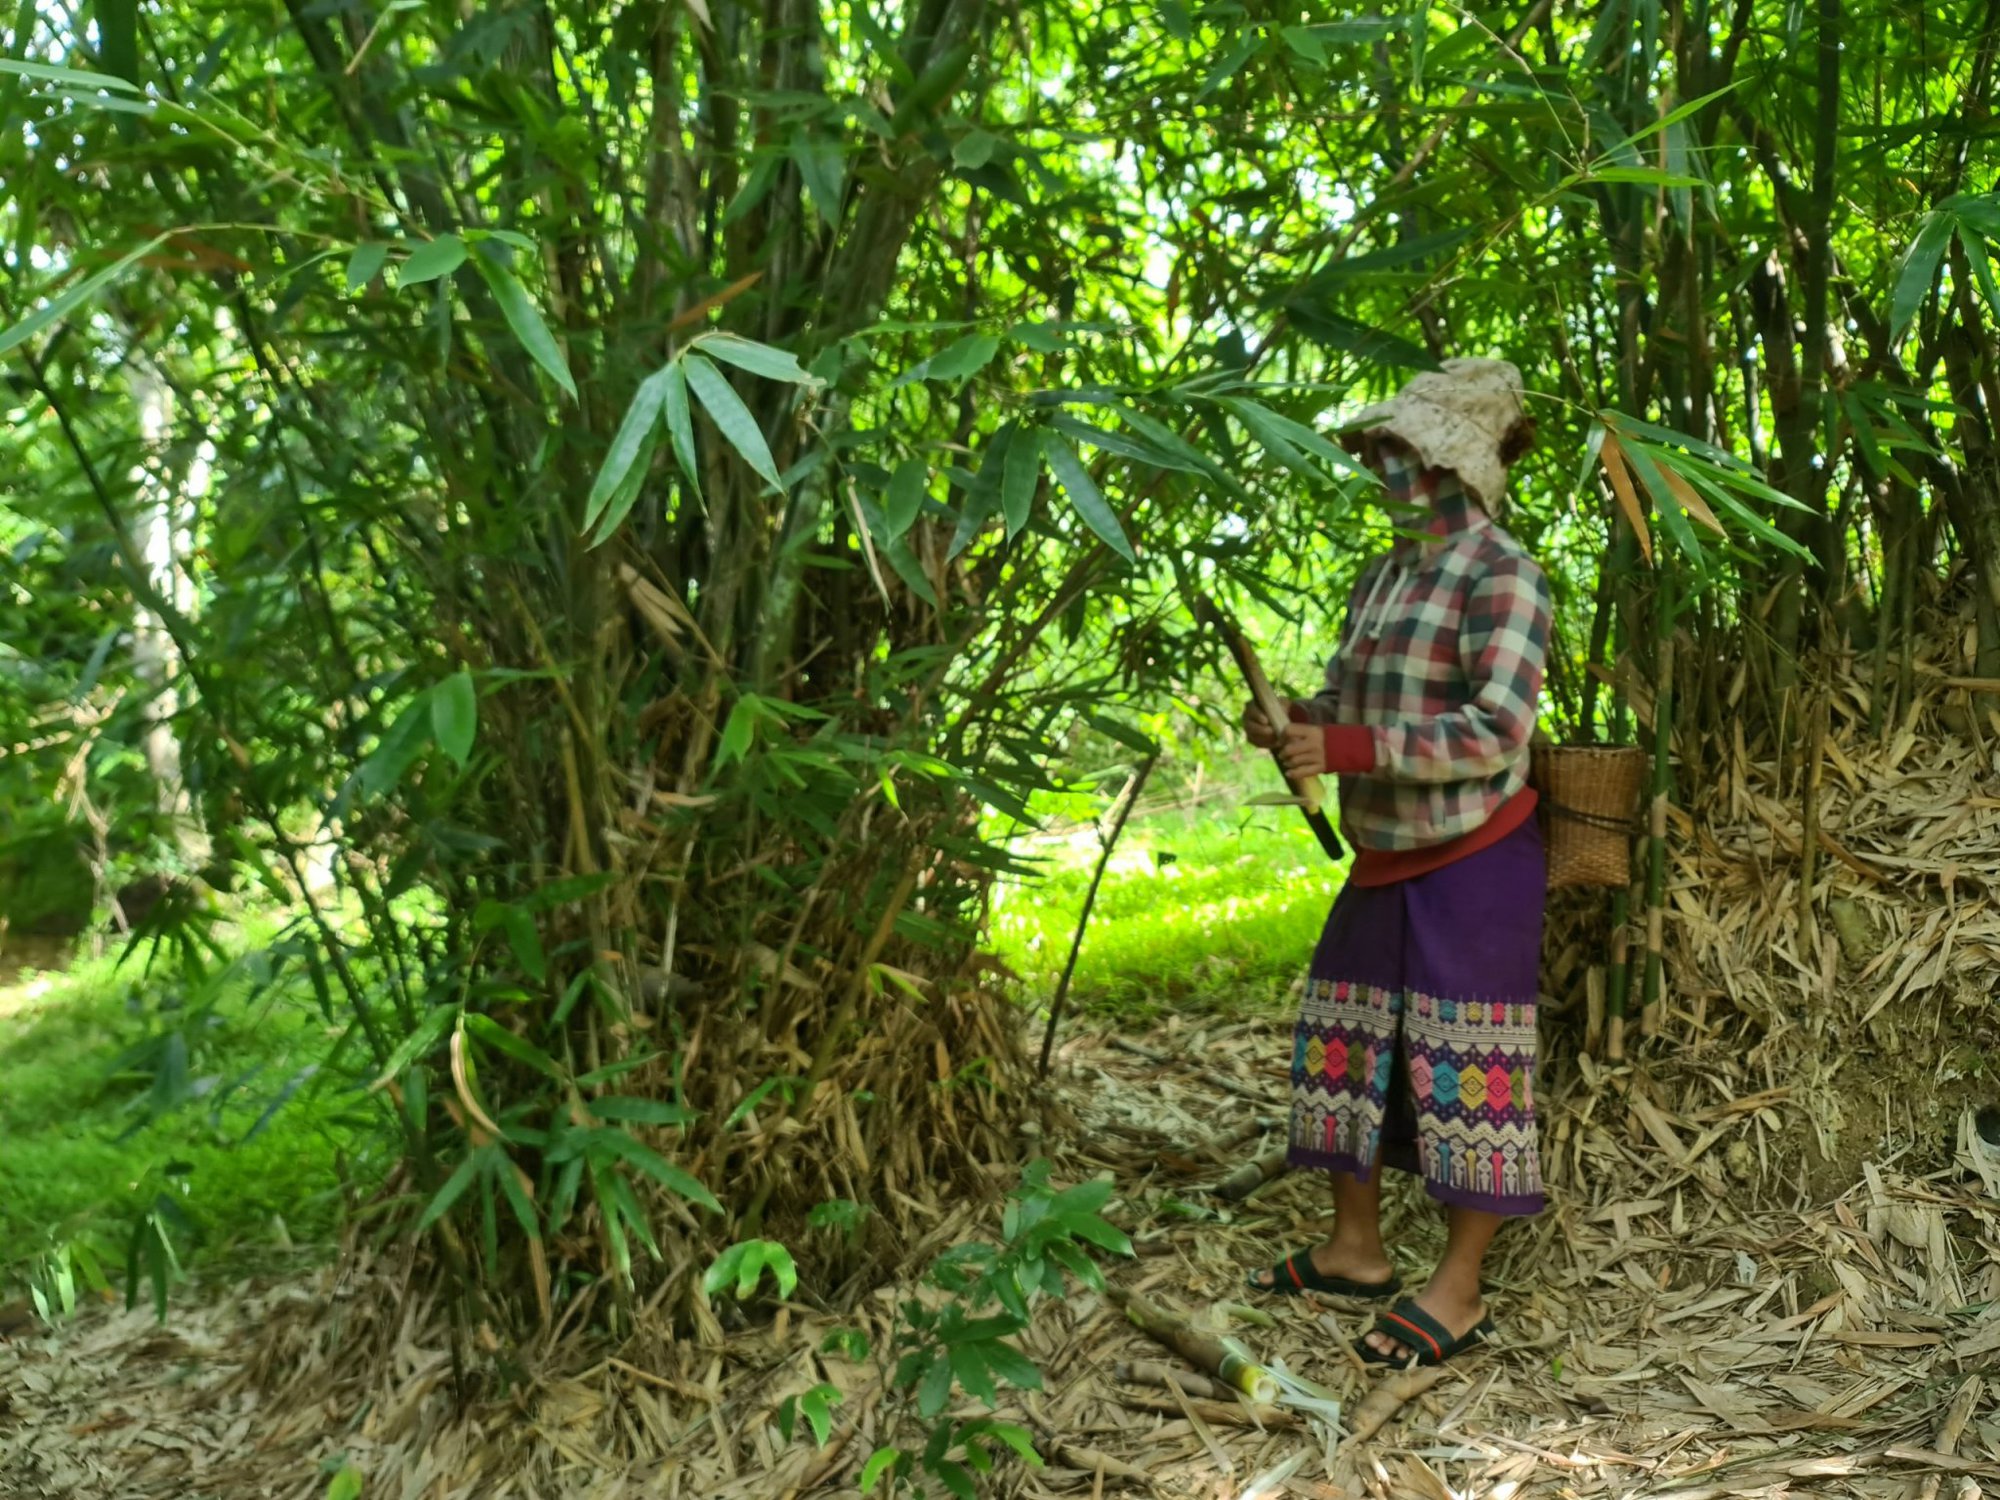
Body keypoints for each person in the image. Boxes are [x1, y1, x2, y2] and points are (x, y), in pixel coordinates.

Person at [1242, 358, 1552, 1369]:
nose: (1379, 472)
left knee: (1468, 1068)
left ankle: (1456, 1290)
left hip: (1474, 857)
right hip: (1382, 858)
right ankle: (1355, 1249)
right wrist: (1295, 724)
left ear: (1449, 472)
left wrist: (1346, 749)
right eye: (1376, 453)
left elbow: (1495, 732)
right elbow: (1346, 706)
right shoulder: (1380, 577)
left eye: (1396, 456)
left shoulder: (1501, 573)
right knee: (1342, 1045)